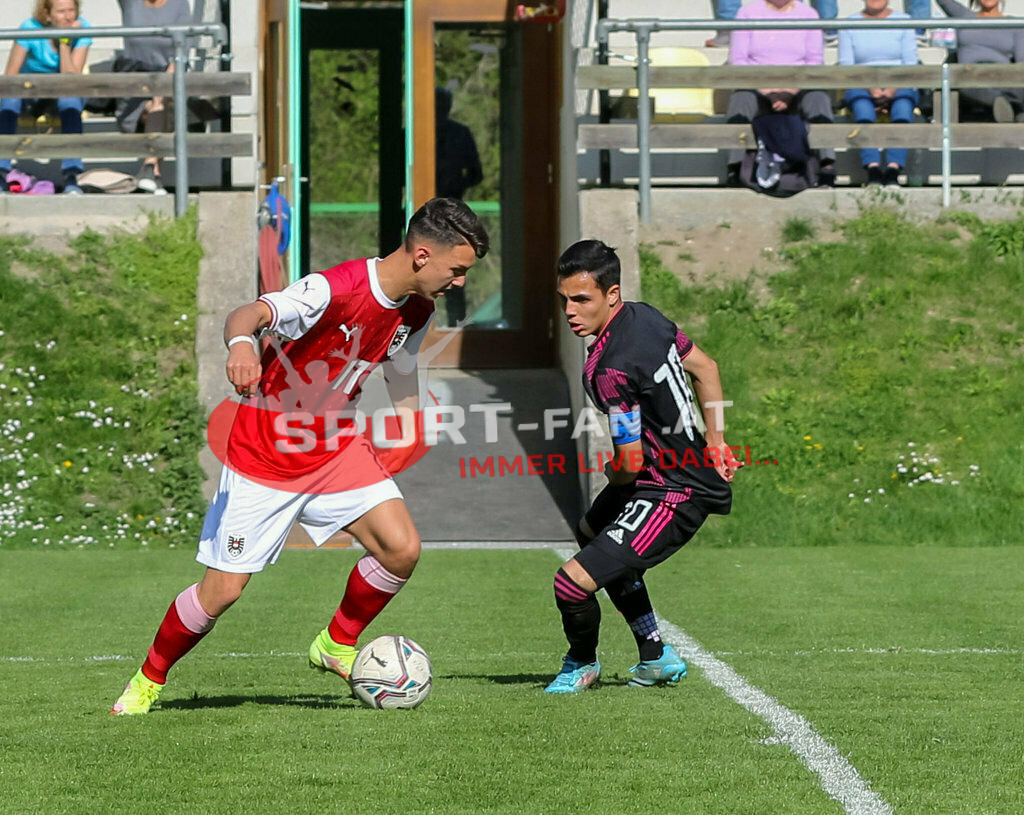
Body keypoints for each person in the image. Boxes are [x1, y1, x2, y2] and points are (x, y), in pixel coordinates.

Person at [110, 198, 489, 715]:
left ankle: (335, 643)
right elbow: (250, 314)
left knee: (401, 549)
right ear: (423, 255)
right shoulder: (333, 288)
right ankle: (148, 681)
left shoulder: (419, 309)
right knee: (222, 592)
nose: (460, 282)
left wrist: (408, 426)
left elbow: (401, 374)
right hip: (264, 455)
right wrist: (242, 344)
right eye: (458, 269)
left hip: (336, 450)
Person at [545, 240, 740, 694]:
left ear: (611, 294)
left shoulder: (611, 366)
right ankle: (655, 655)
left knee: (571, 585)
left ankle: (581, 665)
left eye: (581, 299)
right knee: (592, 531)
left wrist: (615, 474)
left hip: (673, 491)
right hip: (672, 472)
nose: (570, 311)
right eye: (564, 300)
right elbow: (706, 368)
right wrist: (716, 441)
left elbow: (629, 464)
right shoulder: (645, 316)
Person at [725, 0, 836, 187]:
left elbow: (814, 59)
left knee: (818, 97)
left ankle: (826, 165)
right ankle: (735, 166)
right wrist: (767, 91)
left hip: (798, 86)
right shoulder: (747, 13)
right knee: (741, 98)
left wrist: (790, 91)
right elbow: (738, 59)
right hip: (757, 85)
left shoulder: (808, 14)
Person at [0, 0, 91, 194]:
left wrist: (64, 40)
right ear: (47, 15)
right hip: (30, 91)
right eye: (61, 12)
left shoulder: (82, 28)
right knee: (9, 100)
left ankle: (71, 175)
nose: (68, 16)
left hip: (62, 90)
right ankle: (1, 170)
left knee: (70, 101)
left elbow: (71, 79)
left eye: (71, 10)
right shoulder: (30, 28)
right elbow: (11, 74)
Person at [115, 0, 194, 194]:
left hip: (168, 76)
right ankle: (153, 174)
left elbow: (182, 47)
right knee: (160, 107)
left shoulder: (179, 4)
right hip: (136, 79)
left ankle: (150, 166)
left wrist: (163, 83)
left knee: (162, 101)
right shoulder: (131, 4)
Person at [839, 0, 919, 186]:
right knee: (862, 107)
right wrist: (871, 88)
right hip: (861, 81)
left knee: (903, 106)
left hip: (900, 81)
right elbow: (847, 64)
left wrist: (891, 90)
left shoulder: (904, 21)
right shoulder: (849, 24)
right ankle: (872, 167)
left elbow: (910, 62)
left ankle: (894, 168)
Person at [435, 87, 483, 327]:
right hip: (424, 210)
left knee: (454, 268)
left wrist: (455, 186)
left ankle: (456, 324)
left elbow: (476, 174)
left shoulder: (460, 134)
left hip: (451, 212)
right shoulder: (415, 132)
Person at [936, 0, 1024, 121]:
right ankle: (1007, 105)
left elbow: (1021, 61)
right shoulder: (964, 16)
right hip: (971, 73)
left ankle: (1006, 106)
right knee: (964, 82)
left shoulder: (1014, 24)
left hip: (1001, 74)